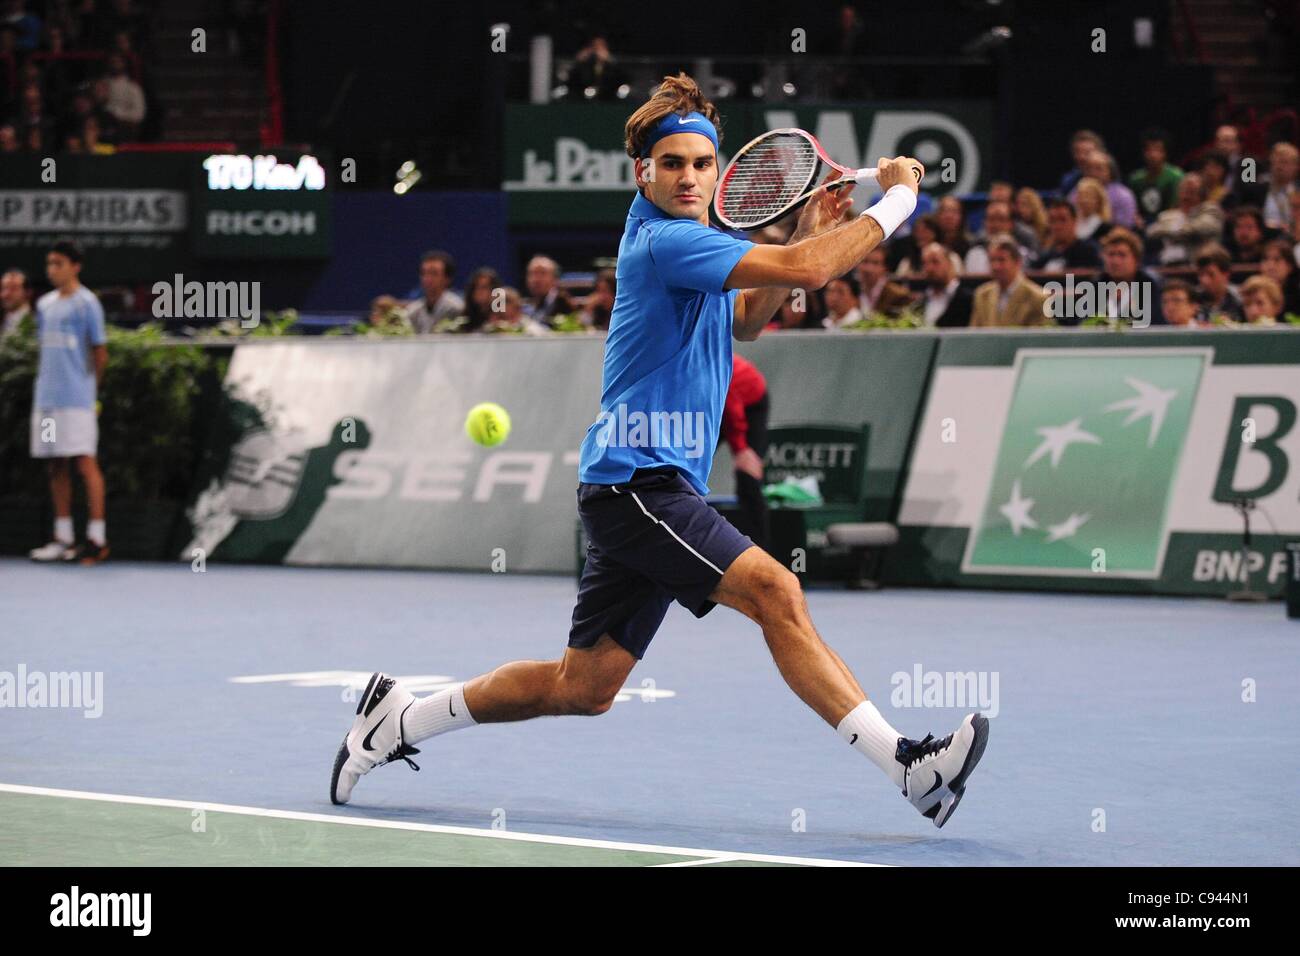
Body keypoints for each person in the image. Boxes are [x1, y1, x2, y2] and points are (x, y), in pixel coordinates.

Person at [329, 72, 988, 828]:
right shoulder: (668, 240)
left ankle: (397, 720)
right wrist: (899, 197)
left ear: (717, 170)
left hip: (640, 486)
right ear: (643, 171)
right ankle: (910, 768)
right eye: (671, 163)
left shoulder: (694, 241)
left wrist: (805, 232)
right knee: (778, 593)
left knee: (584, 687)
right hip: (639, 486)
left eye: (701, 164)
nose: (688, 176)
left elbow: (746, 321)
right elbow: (810, 275)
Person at [27, 239, 110, 564]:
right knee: (55, 462)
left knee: (84, 463)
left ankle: (96, 538)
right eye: (49, 264)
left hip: (77, 402)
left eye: (58, 263)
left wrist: (91, 390)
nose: (52, 270)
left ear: (75, 266)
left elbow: (99, 353)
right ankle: (63, 538)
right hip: (46, 402)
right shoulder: (45, 305)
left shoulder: (87, 304)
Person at [722, 354, 770, 549]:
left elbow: (732, 409)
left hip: (751, 405)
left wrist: (742, 450)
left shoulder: (716, 363)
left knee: (748, 476)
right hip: (720, 408)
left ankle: (761, 549)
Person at [1145, 173, 1224, 266]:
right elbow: (1152, 231)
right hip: (1169, 264)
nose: (1187, 195)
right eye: (1184, 190)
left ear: (1201, 193)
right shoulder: (1167, 215)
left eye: (1191, 191)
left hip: (1200, 264)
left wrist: (1173, 231)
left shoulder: (1210, 209)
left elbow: (1203, 227)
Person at [970, 238, 1049, 327]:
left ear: (1017, 262)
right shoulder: (982, 295)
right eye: (992, 260)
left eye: (1001, 260)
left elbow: (1040, 338)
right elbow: (974, 335)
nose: (995, 266)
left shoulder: (1037, 297)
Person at [1031, 199, 1102, 273]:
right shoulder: (1043, 257)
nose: (1057, 226)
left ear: (1074, 221)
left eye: (1062, 220)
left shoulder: (1089, 252)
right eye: (1052, 220)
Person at [1128, 128, 1183, 220]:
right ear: (1144, 153)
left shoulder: (1176, 176)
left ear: (1165, 153)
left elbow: (1176, 207)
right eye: (1149, 150)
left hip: (1168, 222)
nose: (1153, 155)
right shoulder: (1135, 179)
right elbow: (1133, 208)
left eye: (1158, 150)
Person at [404, 250, 464, 333]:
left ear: (447, 279)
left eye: (434, 273)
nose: (427, 278)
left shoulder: (457, 308)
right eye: (424, 273)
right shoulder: (413, 310)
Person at [919, 242, 972, 327]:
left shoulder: (969, 299)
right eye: (925, 263)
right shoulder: (920, 301)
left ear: (950, 263)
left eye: (935, 262)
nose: (929, 268)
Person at [1194, 243, 1245, 324]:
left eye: (1211, 274)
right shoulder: (1192, 301)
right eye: (1201, 274)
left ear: (1226, 274)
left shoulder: (1241, 300)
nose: (1204, 280)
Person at [855, 247, 912, 317]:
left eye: (875, 263)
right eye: (864, 261)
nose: (868, 269)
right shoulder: (851, 292)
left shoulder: (898, 295)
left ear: (885, 268)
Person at [523, 255, 575, 326]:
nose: (536, 279)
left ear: (555, 279)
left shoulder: (564, 303)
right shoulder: (524, 307)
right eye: (532, 273)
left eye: (542, 273)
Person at [1260, 238, 1300, 316]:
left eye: (1277, 260)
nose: (1270, 266)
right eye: (1266, 259)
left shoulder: (1297, 295)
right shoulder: (1253, 293)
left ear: (1289, 266)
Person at [1073, 177, 1112, 243]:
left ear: (1099, 201)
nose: (1084, 200)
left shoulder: (1105, 228)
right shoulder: (1071, 224)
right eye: (1081, 196)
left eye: (1089, 196)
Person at [1, 266, 34, 336]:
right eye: (3, 288)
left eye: (13, 289)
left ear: (28, 292)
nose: (6, 294)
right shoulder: (2, 320)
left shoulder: (38, 323)